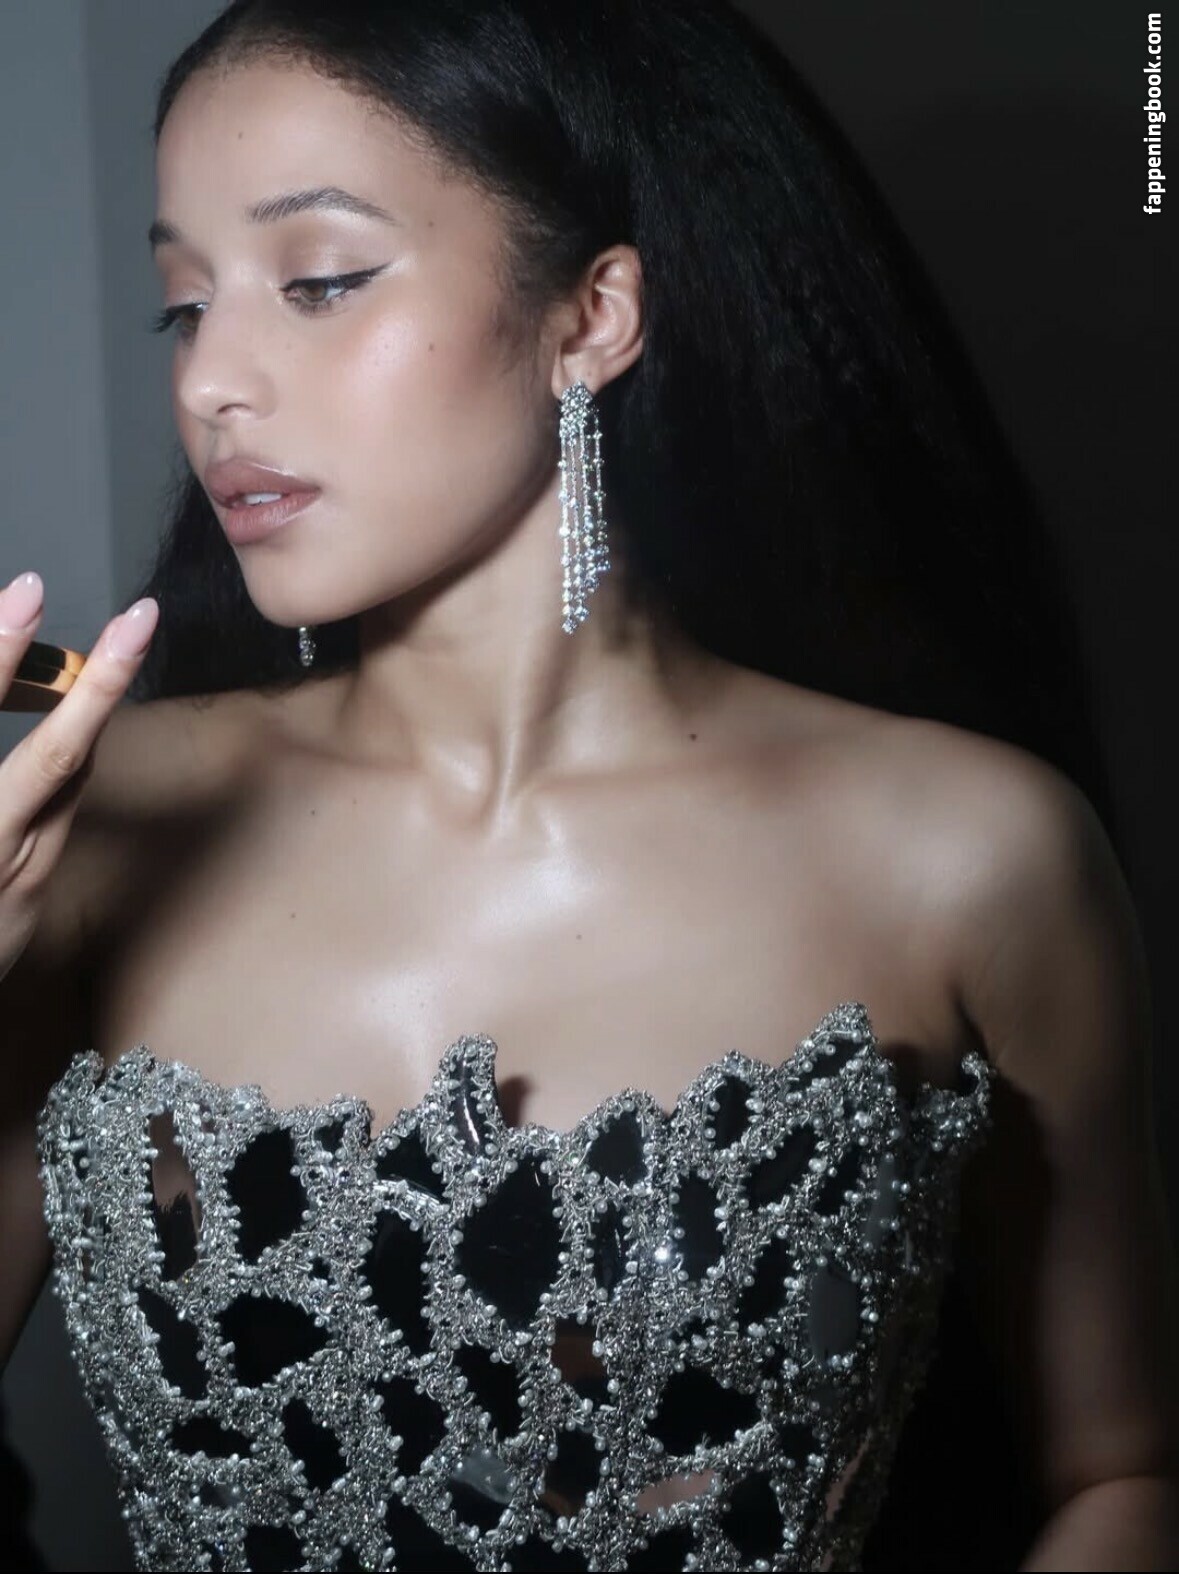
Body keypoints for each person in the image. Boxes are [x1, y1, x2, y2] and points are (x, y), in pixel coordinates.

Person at [1, 1, 1176, 1569]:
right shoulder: (98, 824)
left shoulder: (968, 853)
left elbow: (1121, 1471)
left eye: (321, 279)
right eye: (183, 306)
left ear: (592, 313)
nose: (212, 376)